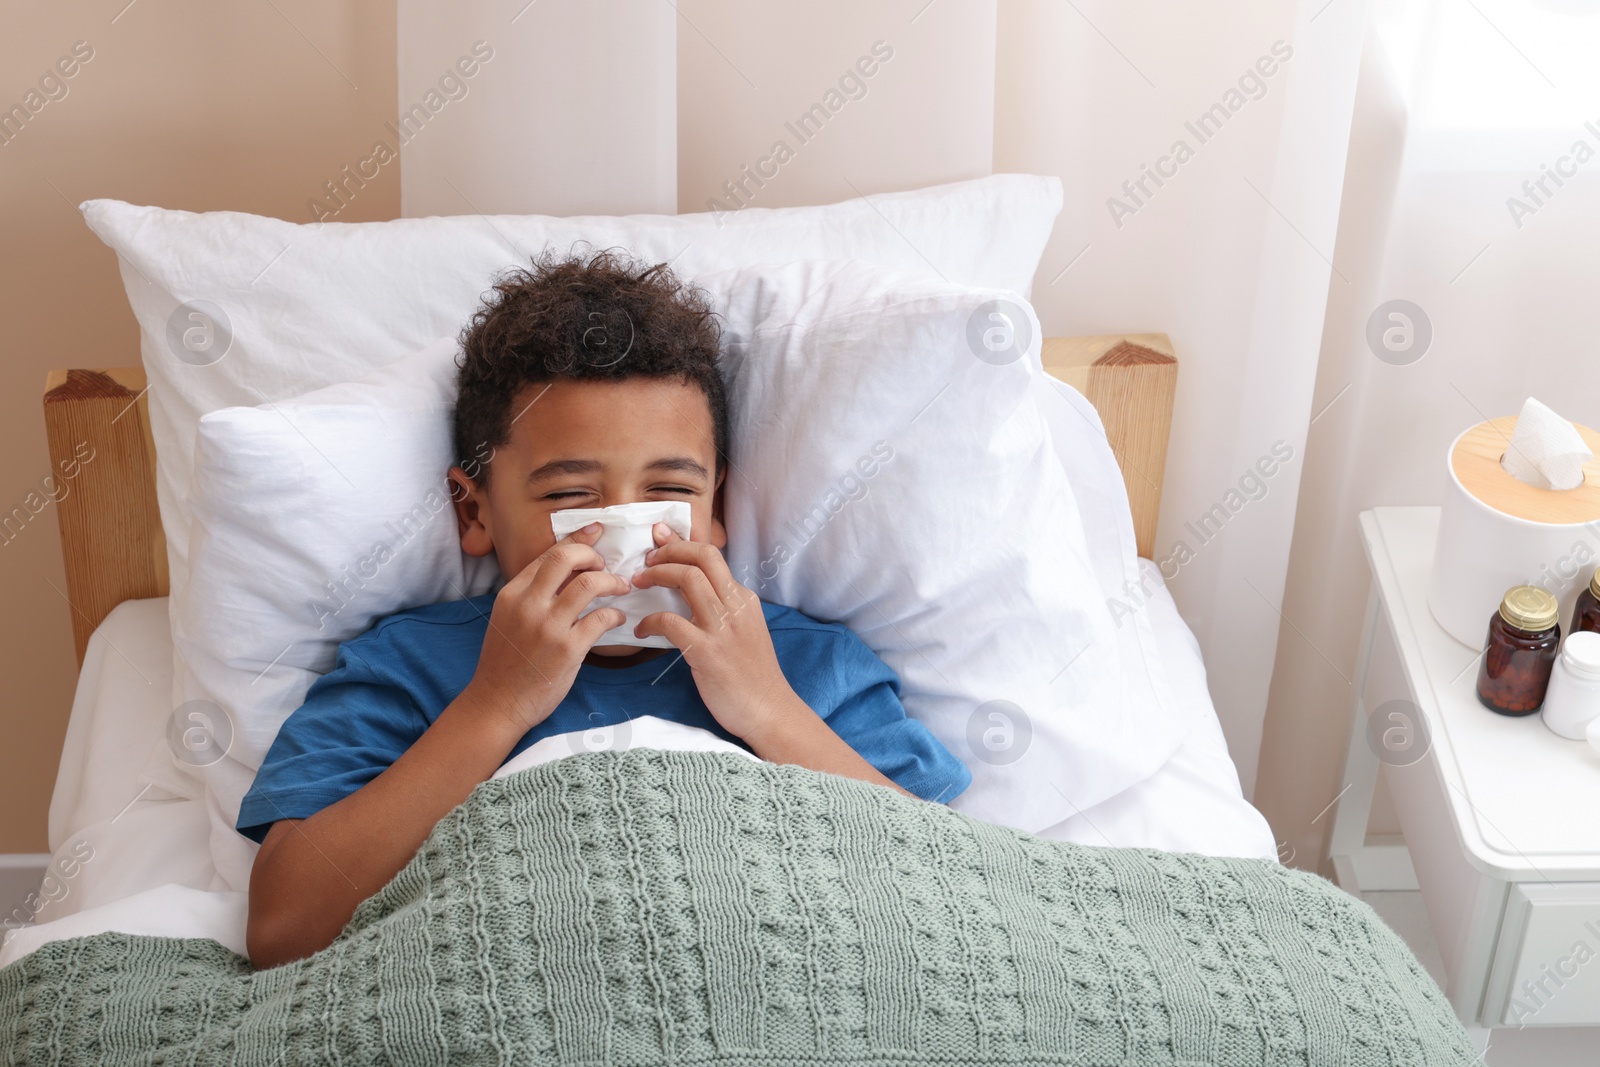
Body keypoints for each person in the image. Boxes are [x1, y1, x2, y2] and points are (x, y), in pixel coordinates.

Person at [239, 248, 971, 968]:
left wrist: (770, 709)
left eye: (669, 492)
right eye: (568, 496)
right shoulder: (409, 665)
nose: (624, 533)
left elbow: (962, 893)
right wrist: (496, 704)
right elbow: (282, 928)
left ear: (716, 507)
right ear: (475, 511)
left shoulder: (812, 665)